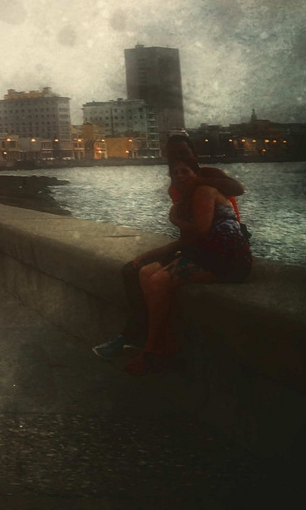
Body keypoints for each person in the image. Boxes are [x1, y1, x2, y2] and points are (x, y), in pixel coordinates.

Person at [93, 135, 250, 372]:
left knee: (156, 279)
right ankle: (145, 338)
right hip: (204, 249)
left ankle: (154, 349)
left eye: (183, 155)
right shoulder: (178, 189)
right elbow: (192, 233)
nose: (179, 169)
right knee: (140, 271)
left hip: (224, 251)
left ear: (194, 155)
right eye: (173, 159)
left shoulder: (207, 182)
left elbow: (213, 216)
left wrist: (174, 219)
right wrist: (160, 250)